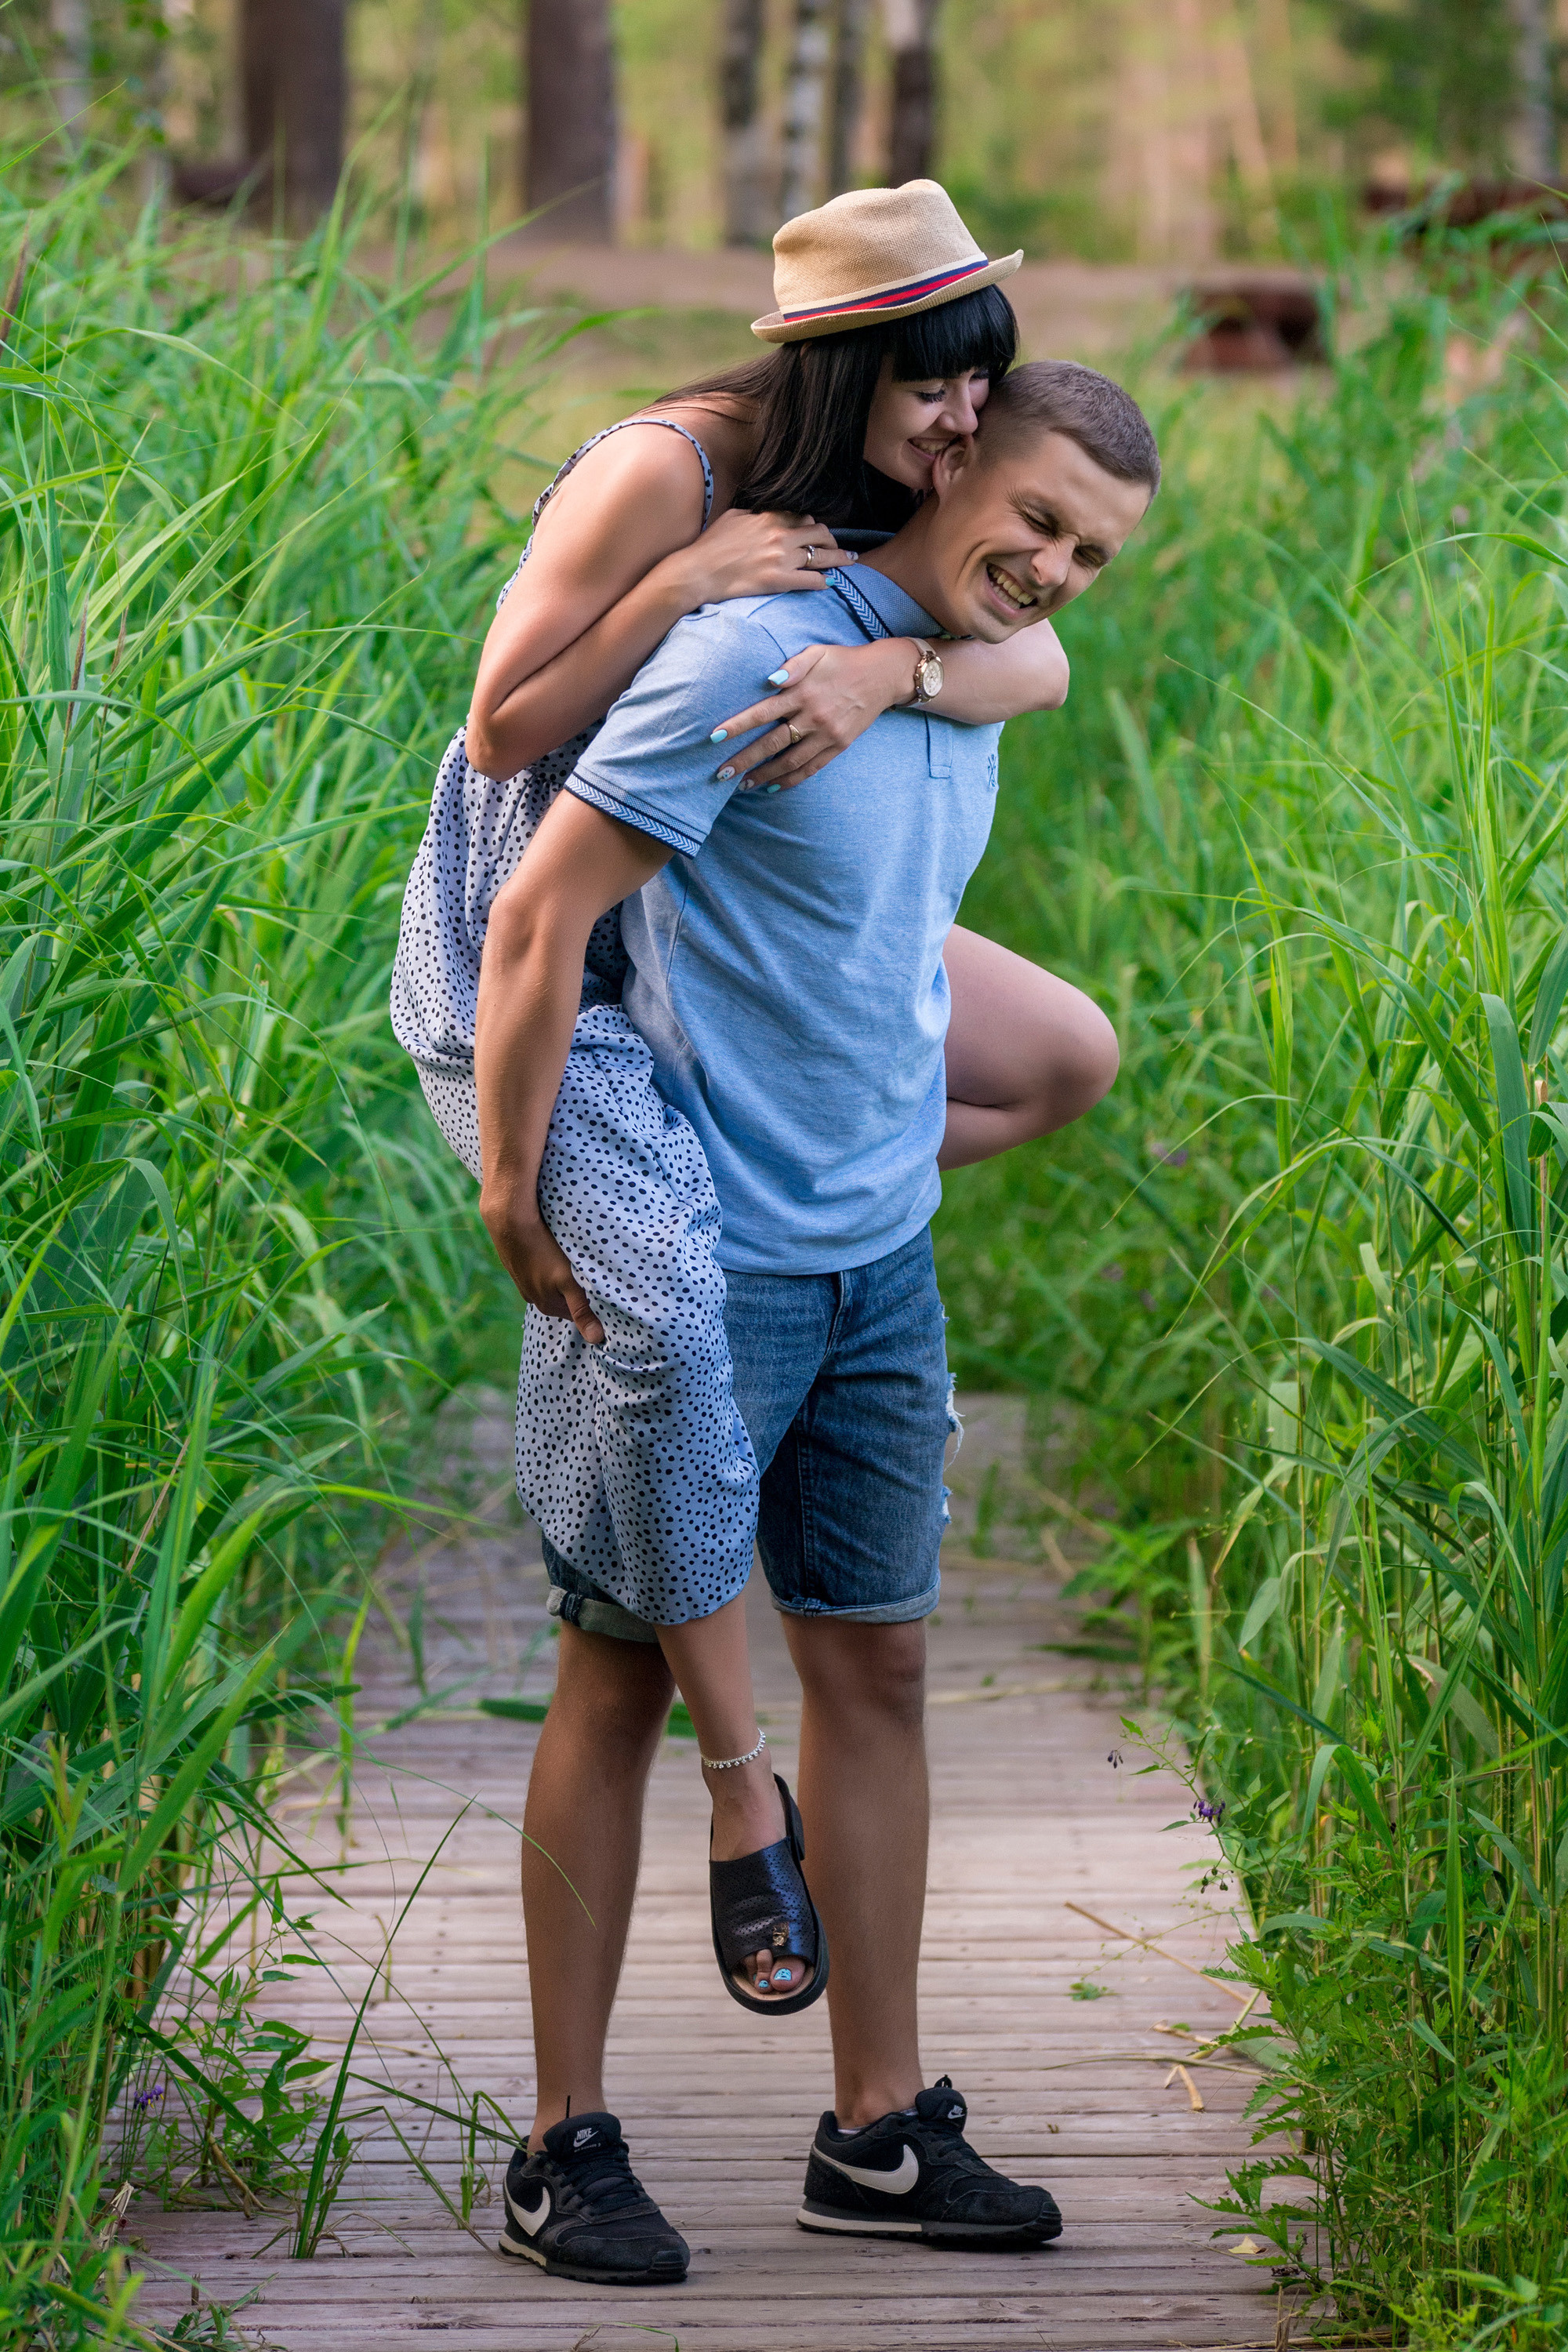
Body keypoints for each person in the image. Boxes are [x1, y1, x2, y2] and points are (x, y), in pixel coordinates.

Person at [391, 183, 1120, 2025]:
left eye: (984, 390)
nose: (965, 421)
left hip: (693, 894)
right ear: (848, 362)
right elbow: (497, 735)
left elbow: (1032, 645)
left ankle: (876, 2120)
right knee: (666, 1311)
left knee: (1060, 1055)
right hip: (527, 913)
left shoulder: (898, 510)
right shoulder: (676, 472)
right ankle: (737, 1798)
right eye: (939, 386)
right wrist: (677, 587)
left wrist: (900, 667)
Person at [472, 354, 1159, 2285]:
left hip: (879, 1270)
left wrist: (925, 663)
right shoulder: (756, 656)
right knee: (612, 1680)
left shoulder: (949, 670)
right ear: (945, 463)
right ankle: (562, 2149)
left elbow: (997, 680)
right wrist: (520, 1188)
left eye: (1089, 554)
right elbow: (538, 914)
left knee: (879, 1674)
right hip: (706, 1257)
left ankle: (875, 2127)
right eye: (1029, 520)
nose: (1047, 567)